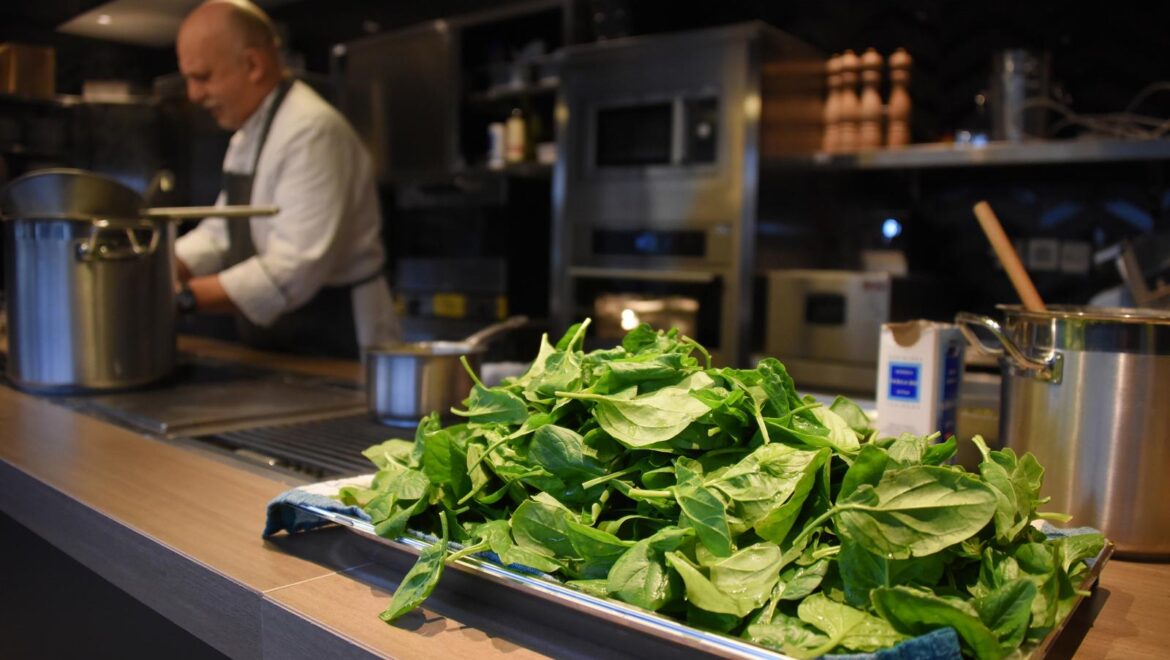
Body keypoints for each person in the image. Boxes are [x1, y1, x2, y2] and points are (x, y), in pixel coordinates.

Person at [173, 0, 399, 359]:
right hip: (287, 337)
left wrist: (182, 298)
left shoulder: (311, 131)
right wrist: (164, 267)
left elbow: (294, 267)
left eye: (202, 77)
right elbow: (221, 232)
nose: (193, 95)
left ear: (253, 65)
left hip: (337, 338)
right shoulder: (247, 134)